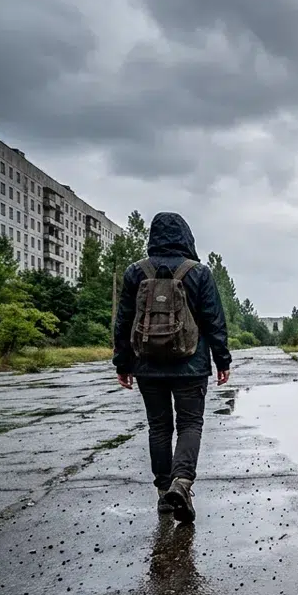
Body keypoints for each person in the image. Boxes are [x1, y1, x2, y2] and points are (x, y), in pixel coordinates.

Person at [113, 212, 231, 523]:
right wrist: (223, 360)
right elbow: (214, 320)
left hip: (146, 364)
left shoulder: (135, 272)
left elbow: (124, 321)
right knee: (190, 424)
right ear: (186, 237)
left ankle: (164, 492)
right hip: (190, 363)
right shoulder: (198, 273)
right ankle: (182, 482)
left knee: (159, 427)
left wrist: (122, 363)